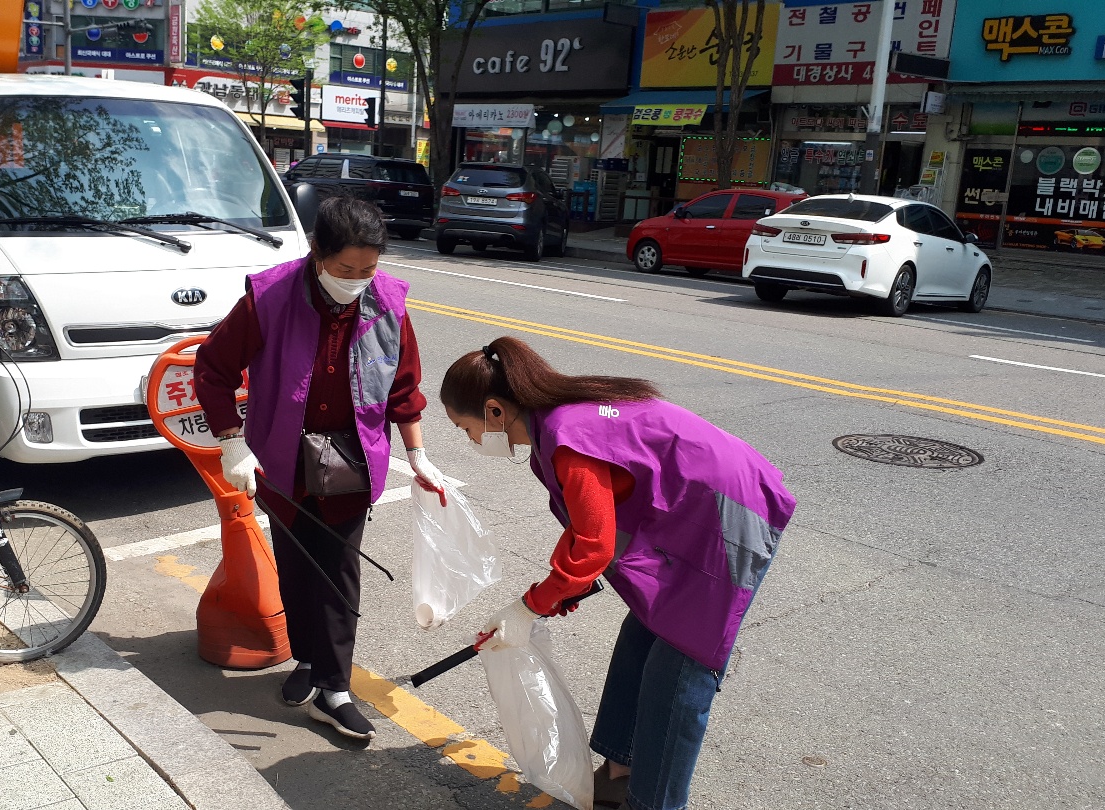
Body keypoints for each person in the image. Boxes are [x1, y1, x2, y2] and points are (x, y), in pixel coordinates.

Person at [439, 336, 796, 810]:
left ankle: (654, 802)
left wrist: (531, 605)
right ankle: (620, 770)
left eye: (466, 429)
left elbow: (593, 545)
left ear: (494, 412)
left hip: (726, 513)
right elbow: (587, 526)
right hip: (687, 513)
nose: (472, 442)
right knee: (645, 628)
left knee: (682, 660)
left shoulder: (568, 437)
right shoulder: (553, 425)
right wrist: (555, 591)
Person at [194, 196, 444, 742]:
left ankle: (335, 689)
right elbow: (212, 368)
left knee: (337, 571)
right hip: (281, 457)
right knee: (297, 562)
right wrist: (232, 442)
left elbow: (403, 388)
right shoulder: (271, 298)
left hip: (350, 458)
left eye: (368, 270)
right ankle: (307, 660)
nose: (357, 281)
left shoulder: (388, 305)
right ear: (316, 253)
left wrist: (418, 454)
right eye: (344, 269)